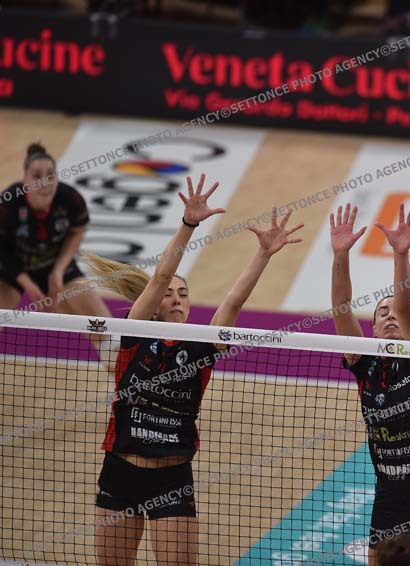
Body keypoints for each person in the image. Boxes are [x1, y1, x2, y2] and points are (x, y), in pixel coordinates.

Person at [83, 174, 303, 565]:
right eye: (169, 294)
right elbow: (161, 275)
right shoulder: (135, 335)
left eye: (183, 294)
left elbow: (233, 301)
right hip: (121, 472)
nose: (176, 298)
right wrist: (188, 225)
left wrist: (263, 254)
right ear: (153, 303)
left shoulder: (203, 345)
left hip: (172, 478)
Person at [330, 203, 410, 566]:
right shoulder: (363, 364)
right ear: (372, 329)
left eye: (394, 312)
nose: (390, 316)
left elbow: (405, 308)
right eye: (381, 313)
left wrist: (400, 254)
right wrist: (340, 255)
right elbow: (341, 306)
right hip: (389, 496)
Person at [0, 142, 113, 361]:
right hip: (13, 268)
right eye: (37, 176)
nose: (44, 182)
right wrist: (29, 285)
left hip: (55, 264)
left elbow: (76, 231)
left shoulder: (71, 199)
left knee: (105, 328)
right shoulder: (8, 204)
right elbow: (2, 251)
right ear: (24, 180)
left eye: (50, 175)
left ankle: (120, 381)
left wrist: (59, 271)